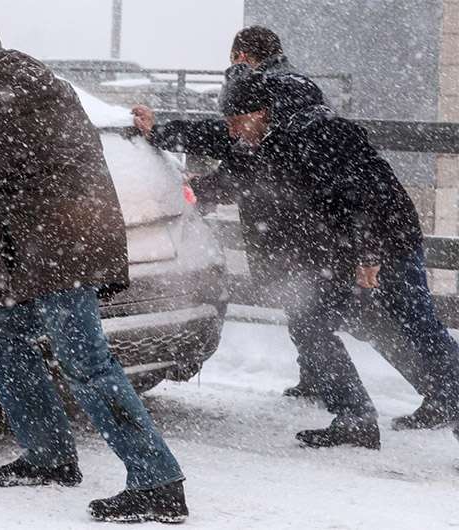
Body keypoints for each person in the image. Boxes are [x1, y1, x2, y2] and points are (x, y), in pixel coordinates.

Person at [0, 13, 187, 524]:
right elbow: (30, 167)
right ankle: (48, 456)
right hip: (72, 236)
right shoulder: (45, 83)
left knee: (86, 363)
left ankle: (157, 480)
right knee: (3, 332)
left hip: (52, 250)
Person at [136, 26, 459, 434]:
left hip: (386, 234)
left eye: (238, 122)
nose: (233, 132)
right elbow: (233, 166)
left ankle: (433, 400)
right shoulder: (264, 136)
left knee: (410, 320)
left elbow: (361, 199)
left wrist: (368, 257)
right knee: (338, 320)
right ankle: (370, 409)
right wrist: (165, 142)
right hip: (344, 241)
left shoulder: (307, 132)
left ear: (258, 108)